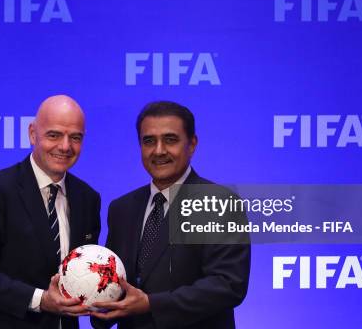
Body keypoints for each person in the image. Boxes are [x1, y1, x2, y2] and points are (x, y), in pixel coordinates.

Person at [90, 101, 250, 329]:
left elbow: (227, 285)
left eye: (170, 139)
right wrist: (99, 305)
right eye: (149, 141)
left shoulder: (219, 203)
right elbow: (116, 282)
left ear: (192, 144)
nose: (159, 151)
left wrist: (151, 304)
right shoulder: (122, 208)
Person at [0, 95, 101, 329]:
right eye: (54, 135)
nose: (65, 146)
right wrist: (40, 300)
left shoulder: (88, 198)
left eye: (75, 137)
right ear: (33, 133)